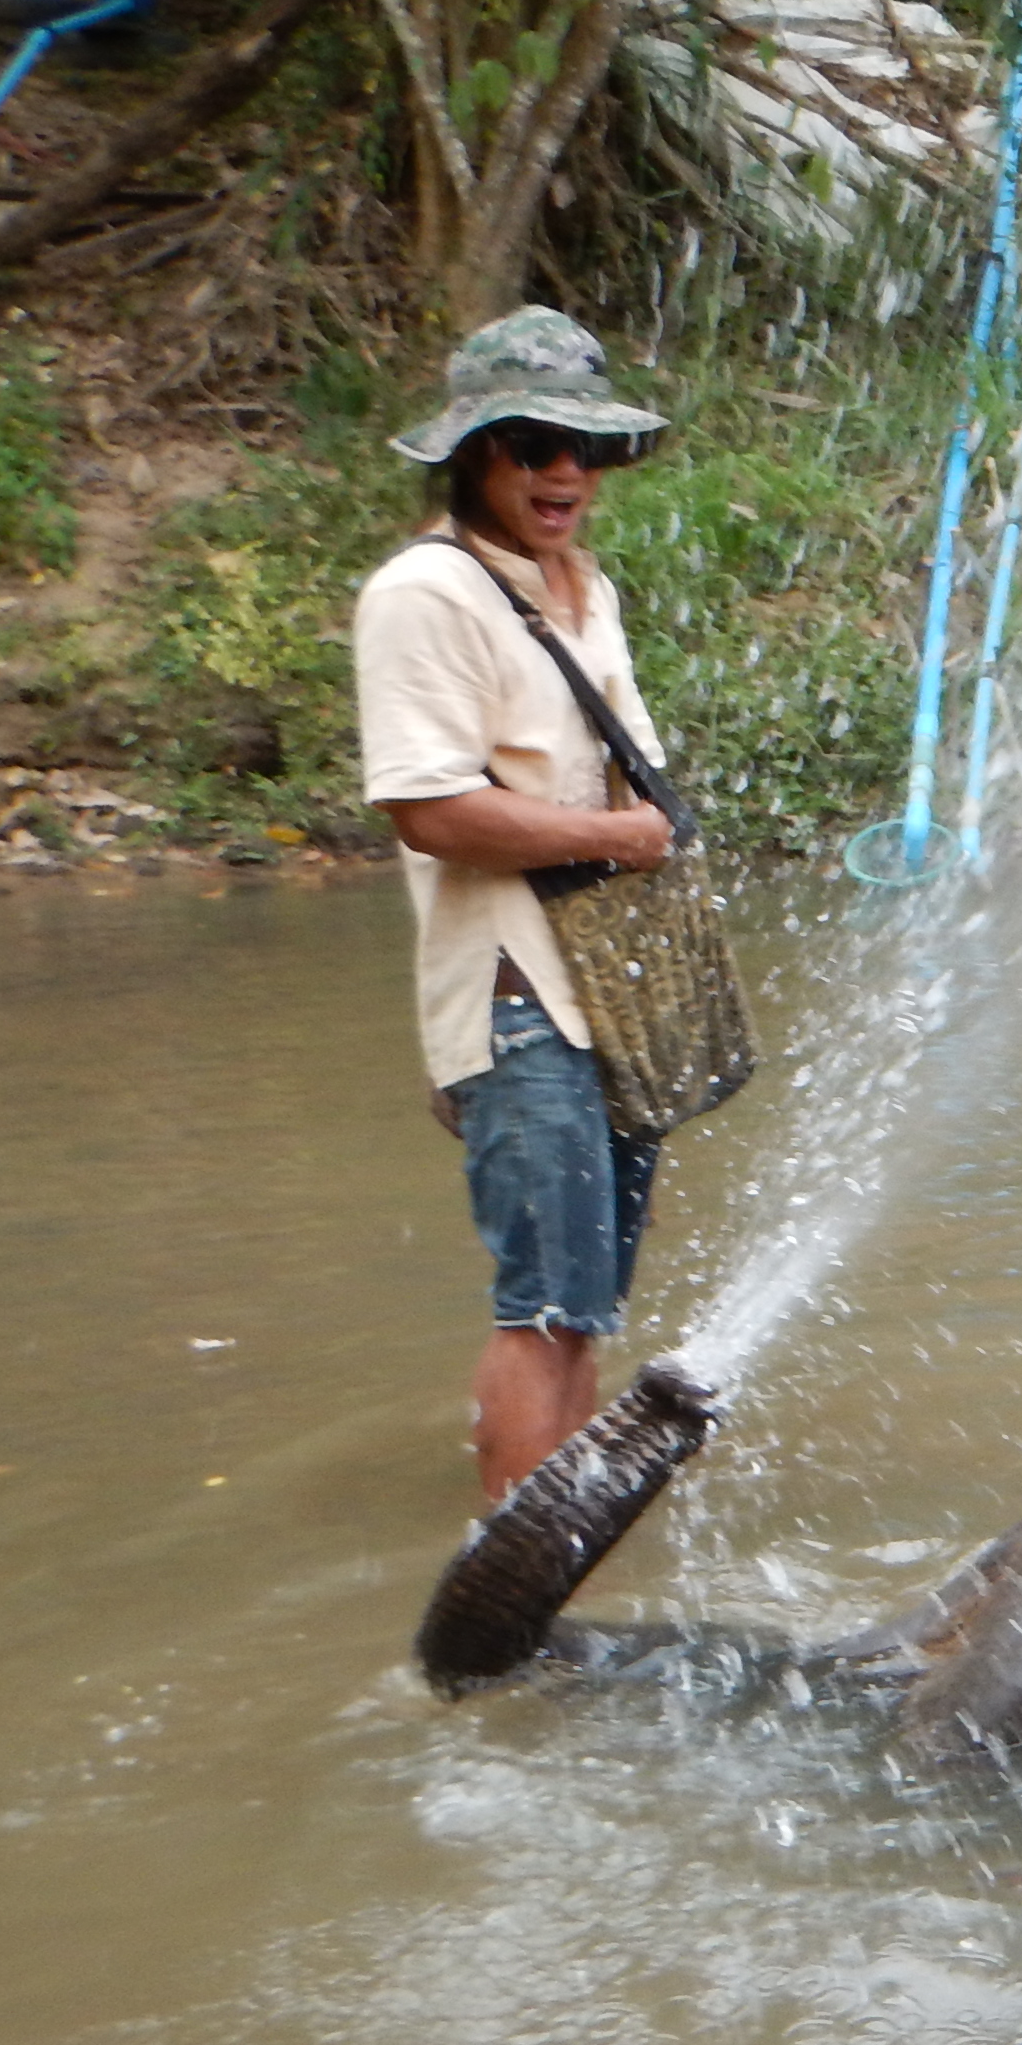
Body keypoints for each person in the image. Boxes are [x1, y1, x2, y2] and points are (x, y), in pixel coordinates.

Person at [353, 306, 682, 1501]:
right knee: (544, 1309)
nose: (564, 472)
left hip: (602, 987)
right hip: (517, 992)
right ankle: (513, 1607)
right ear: (474, 452)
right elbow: (429, 810)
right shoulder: (425, 594)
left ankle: (560, 1573)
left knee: (583, 1309)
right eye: (533, 442)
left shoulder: (576, 586)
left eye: (585, 448)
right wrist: (620, 837)